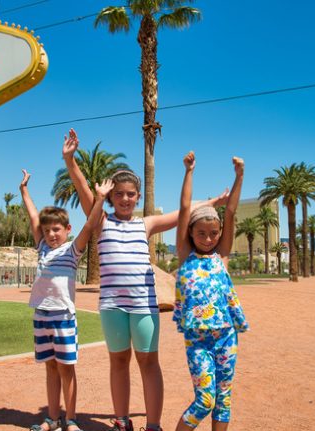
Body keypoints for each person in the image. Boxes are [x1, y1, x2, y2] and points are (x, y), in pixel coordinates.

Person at [63, 129, 227, 431]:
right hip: (112, 307)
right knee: (119, 363)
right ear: (111, 197)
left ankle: (153, 425)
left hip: (144, 307)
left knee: (149, 364)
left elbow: (184, 212)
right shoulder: (100, 220)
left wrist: (215, 200)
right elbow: (84, 189)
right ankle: (122, 420)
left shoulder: (146, 224)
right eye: (119, 194)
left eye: (131, 194)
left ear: (138, 197)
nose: (125, 199)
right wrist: (70, 160)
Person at [20, 168, 114, 431]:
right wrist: (24, 190)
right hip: (41, 316)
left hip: (63, 317)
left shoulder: (72, 251)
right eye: (47, 230)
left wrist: (100, 199)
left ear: (67, 229)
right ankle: (52, 418)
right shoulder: (41, 248)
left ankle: (70, 420)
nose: (51, 235)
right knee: (50, 368)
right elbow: (32, 216)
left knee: (66, 369)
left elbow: (90, 225)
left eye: (57, 230)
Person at [172, 152, 249, 431]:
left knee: (223, 399)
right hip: (198, 341)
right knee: (205, 399)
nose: (207, 239)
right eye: (201, 233)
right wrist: (189, 171)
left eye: (213, 233)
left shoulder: (222, 255)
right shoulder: (184, 255)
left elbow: (229, 212)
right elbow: (183, 208)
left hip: (226, 336)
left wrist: (239, 177)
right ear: (191, 234)